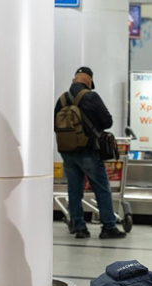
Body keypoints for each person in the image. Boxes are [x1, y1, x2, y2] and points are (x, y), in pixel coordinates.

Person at [54, 67, 126, 239]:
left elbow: (54, 122)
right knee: (102, 189)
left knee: (74, 190)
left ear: (74, 79)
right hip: (88, 151)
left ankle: (79, 227)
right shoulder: (91, 96)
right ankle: (109, 226)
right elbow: (107, 122)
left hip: (67, 152)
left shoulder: (62, 99)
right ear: (89, 81)